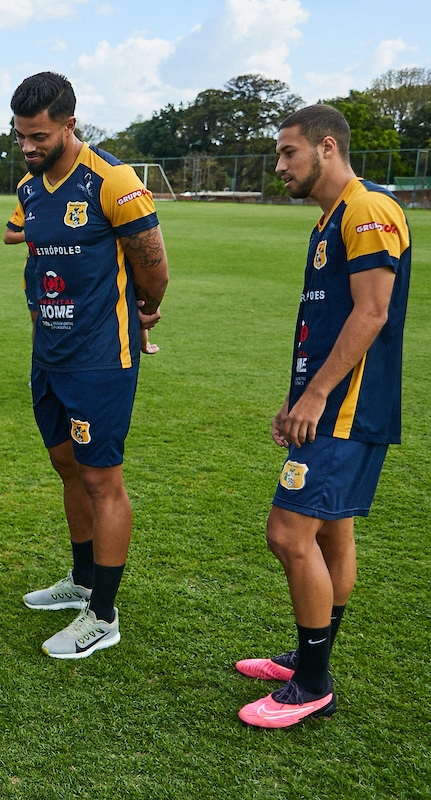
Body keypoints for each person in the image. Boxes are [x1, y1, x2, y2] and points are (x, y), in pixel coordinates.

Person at [235, 105, 410, 729]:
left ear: (326, 147)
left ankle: (312, 684)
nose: (279, 166)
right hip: (328, 405)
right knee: (332, 532)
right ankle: (312, 656)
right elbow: (326, 319)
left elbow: (371, 313)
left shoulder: (368, 210)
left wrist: (316, 398)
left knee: (288, 534)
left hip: (347, 412)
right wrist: (296, 395)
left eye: (288, 153)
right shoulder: (329, 221)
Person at [7, 72, 169, 658]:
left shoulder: (113, 181)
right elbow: (35, 266)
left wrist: (140, 313)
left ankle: (103, 614)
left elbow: (154, 269)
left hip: (101, 357)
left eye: (40, 135)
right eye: (22, 135)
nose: (29, 147)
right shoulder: (29, 188)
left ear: (70, 124)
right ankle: (80, 583)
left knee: (103, 478)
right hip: (48, 353)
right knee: (66, 465)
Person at [4, 227, 160, 355]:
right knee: (42, 321)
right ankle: (40, 360)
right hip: (46, 272)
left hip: (103, 349)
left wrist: (144, 335)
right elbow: (8, 236)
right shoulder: (31, 193)